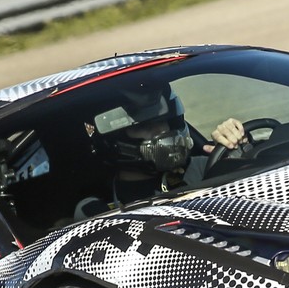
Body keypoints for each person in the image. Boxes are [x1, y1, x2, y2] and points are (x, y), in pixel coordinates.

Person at [75, 81, 250, 217]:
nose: (162, 131)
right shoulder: (96, 209)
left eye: (162, 121)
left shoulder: (206, 167)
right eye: (143, 127)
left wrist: (237, 148)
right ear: (114, 141)